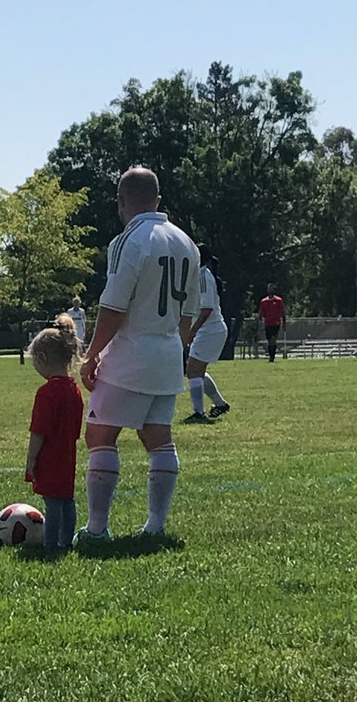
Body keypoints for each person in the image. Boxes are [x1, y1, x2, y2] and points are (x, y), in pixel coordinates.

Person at [77, 167, 200, 540]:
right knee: (158, 438)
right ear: (158, 200)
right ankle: (156, 527)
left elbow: (113, 306)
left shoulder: (129, 240)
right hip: (167, 355)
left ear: (121, 201)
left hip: (130, 354)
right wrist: (172, 350)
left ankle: (97, 530)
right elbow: (189, 314)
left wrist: (92, 354)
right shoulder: (186, 243)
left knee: (99, 435)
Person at [25, 315, 84, 558]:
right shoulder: (74, 389)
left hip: (50, 455)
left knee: (52, 502)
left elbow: (39, 431)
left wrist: (31, 460)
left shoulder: (47, 392)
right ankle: (66, 541)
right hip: (68, 454)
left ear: (42, 359)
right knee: (67, 500)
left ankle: (51, 545)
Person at [183, 247, 230, 423]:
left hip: (211, 330)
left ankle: (198, 413)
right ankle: (220, 404)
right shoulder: (197, 276)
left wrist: (192, 332)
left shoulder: (203, 276)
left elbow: (206, 310)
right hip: (209, 330)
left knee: (193, 371)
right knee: (196, 371)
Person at [259, 283, 286, 362]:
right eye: (269, 289)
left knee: (273, 339)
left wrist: (284, 323)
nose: (270, 290)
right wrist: (260, 321)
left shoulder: (278, 300)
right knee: (269, 340)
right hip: (267, 324)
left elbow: (283, 312)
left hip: (276, 323)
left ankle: (272, 356)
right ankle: (271, 354)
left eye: (271, 289)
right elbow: (261, 313)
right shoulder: (264, 301)